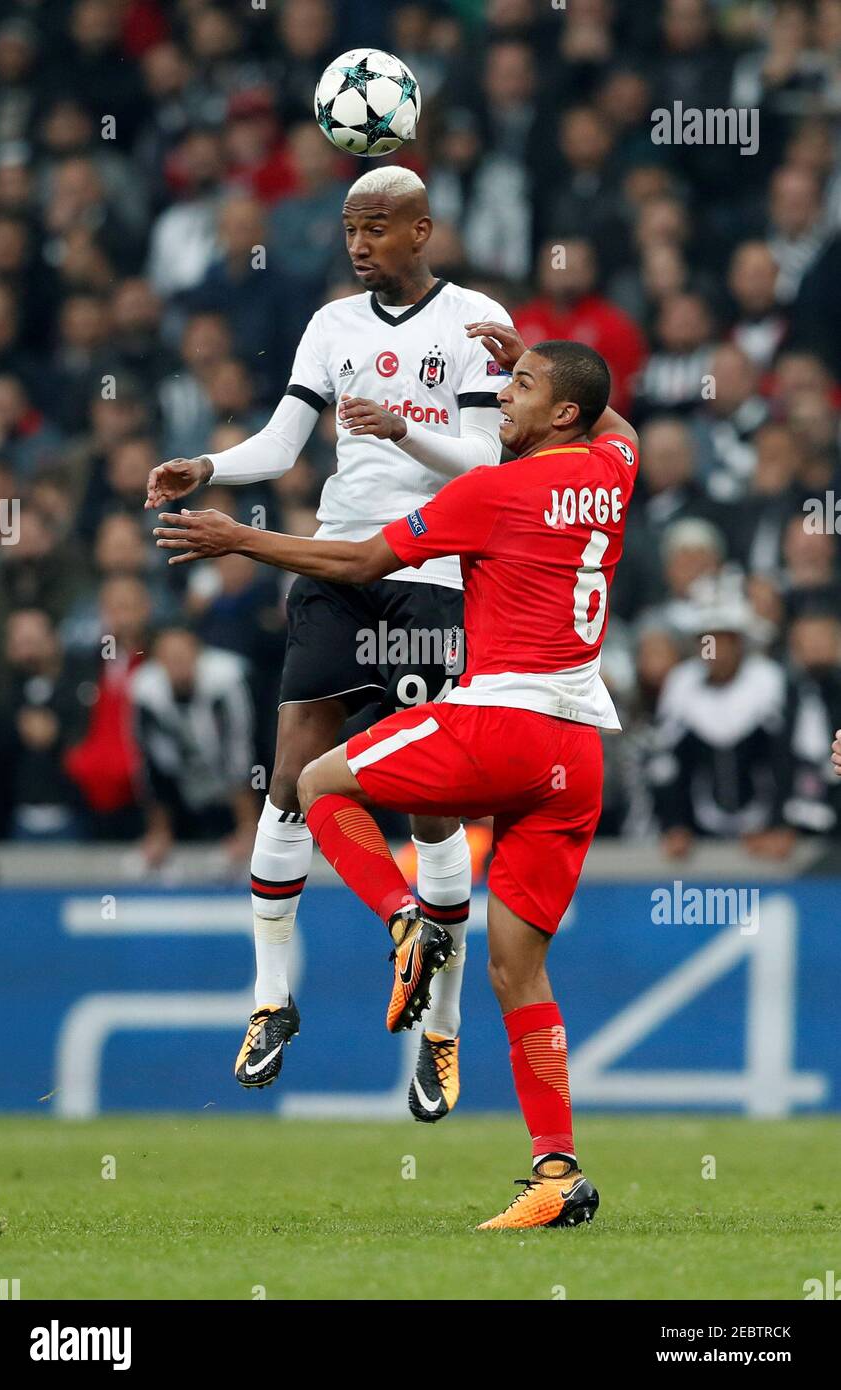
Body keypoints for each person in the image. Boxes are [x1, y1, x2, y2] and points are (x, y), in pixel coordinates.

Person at [152, 331, 639, 1231]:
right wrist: (541, 358)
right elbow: (620, 424)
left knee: (316, 786)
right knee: (517, 969)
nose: (500, 395)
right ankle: (557, 1173)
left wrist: (238, 537)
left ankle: (405, 916)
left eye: (521, 386)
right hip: (579, 753)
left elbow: (359, 562)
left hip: (500, 722)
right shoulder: (613, 468)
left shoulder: (491, 491)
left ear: (561, 413)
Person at [145, 166, 512, 1122]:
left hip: (429, 576)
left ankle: (440, 1031)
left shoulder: (474, 319)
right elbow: (281, 443)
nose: (359, 243)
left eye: (378, 227)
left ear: (422, 229)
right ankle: (271, 999)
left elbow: (482, 464)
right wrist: (208, 467)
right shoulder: (331, 324)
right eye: (351, 228)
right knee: (288, 780)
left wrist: (402, 432)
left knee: (430, 813)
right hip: (334, 566)